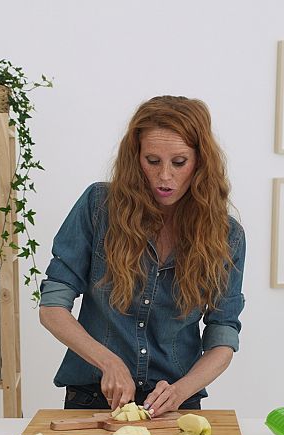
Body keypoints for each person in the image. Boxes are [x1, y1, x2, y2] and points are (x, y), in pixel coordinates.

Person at [39, 95, 246, 417]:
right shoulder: (98, 207)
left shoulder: (226, 235)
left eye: (179, 162)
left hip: (175, 402)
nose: (165, 176)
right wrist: (108, 361)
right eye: (152, 161)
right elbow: (52, 308)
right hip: (92, 398)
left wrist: (182, 390)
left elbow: (222, 335)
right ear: (135, 159)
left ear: (201, 162)